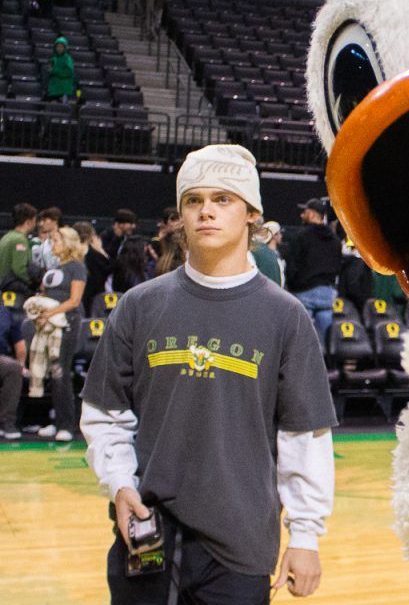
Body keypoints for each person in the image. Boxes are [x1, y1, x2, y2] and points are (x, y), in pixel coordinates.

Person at [81, 144, 337, 602]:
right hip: (148, 534)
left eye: (223, 199)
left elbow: (304, 435)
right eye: (193, 200)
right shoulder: (139, 306)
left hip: (240, 545)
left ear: (251, 213)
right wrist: (119, 482)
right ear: (180, 214)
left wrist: (305, 536)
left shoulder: (286, 317)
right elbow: (106, 412)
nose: (206, 211)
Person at [31, 225, 88, 442]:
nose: (52, 244)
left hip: (67, 323)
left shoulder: (77, 267)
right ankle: (57, 422)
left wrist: (50, 313)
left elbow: (74, 300)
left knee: (61, 372)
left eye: (56, 240)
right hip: (49, 324)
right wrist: (39, 309)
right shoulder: (56, 265)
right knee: (53, 372)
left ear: (68, 243)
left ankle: (67, 425)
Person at [285, 199, 342, 342]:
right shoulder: (335, 240)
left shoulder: (300, 236)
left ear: (311, 214)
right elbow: (337, 267)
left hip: (303, 292)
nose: (301, 215)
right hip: (327, 293)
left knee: (301, 343)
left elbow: (291, 266)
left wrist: (292, 286)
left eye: (304, 212)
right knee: (325, 342)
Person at [74, 221, 112, 312]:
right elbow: (108, 270)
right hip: (93, 300)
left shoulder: (68, 254)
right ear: (91, 237)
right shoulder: (97, 257)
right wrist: (101, 250)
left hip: (82, 299)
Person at [0, 202, 37, 296]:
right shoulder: (19, 240)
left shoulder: (7, 236)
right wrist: (32, 283)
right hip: (12, 291)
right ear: (28, 222)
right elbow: (19, 269)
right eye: (34, 220)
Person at [250, 221, 283, 286]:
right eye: (279, 233)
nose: (281, 236)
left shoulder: (266, 251)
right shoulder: (262, 252)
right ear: (274, 235)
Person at [46, 37, 75, 103]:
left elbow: (68, 73)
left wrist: (54, 70)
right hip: (53, 89)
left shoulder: (68, 59)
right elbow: (49, 70)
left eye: (61, 47)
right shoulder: (53, 58)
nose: (59, 48)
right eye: (57, 46)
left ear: (65, 48)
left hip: (63, 89)